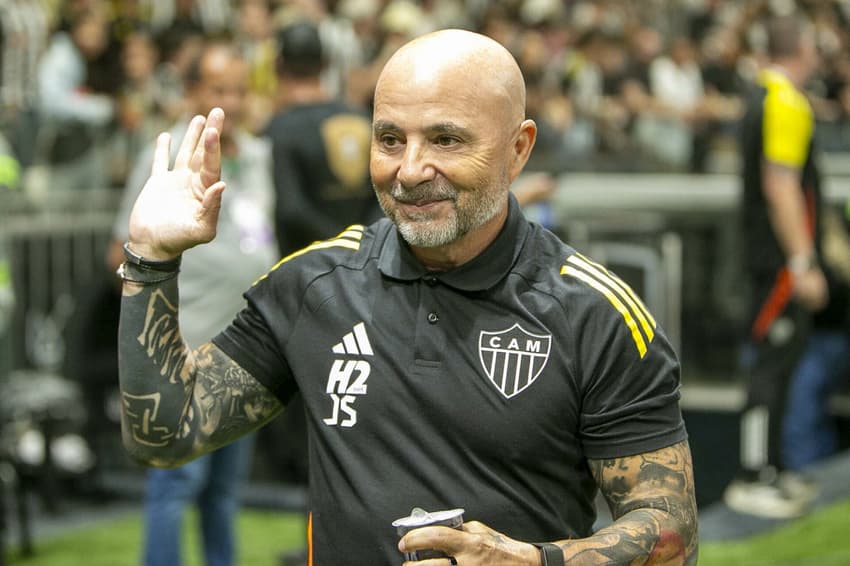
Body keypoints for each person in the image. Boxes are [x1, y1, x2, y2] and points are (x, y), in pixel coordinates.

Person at [116, 29, 697, 565]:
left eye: (446, 139)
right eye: (390, 139)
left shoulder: (598, 315)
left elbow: (673, 534)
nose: (411, 170)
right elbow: (166, 435)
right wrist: (150, 260)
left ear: (519, 149)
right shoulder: (314, 286)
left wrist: (532, 561)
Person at [111, 40, 277, 566]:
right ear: (192, 94)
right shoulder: (161, 161)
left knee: (223, 493)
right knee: (175, 487)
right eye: (218, 89)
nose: (231, 100)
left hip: (243, 353)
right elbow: (126, 245)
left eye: (238, 88)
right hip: (179, 349)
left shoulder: (257, 155)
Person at [723, 15, 828, 520]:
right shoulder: (785, 100)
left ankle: (774, 467)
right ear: (803, 48)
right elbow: (782, 185)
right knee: (769, 364)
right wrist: (803, 261)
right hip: (779, 264)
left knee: (780, 363)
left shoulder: (760, 93)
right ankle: (754, 474)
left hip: (765, 257)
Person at [266, 19, 382, 256]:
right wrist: (360, 244)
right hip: (369, 258)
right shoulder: (362, 118)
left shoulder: (279, 128)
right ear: (325, 64)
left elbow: (291, 208)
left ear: (278, 66)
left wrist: (338, 244)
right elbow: (384, 193)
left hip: (305, 266)